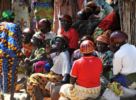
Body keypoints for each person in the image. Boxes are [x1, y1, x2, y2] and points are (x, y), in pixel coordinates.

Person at [0, 10, 22, 99]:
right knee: (11, 74)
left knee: (2, 73)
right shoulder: (15, 26)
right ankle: (10, 95)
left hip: (0, 54)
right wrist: (19, 53)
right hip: (12, 54)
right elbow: (18, 41)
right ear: (12, 18)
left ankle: (2, 92)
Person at [108, 31, 136, 98]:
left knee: (111, 79)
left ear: (116, 44)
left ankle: (122, 95)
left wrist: (114, 53)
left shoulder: (118, 54)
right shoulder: (133, 47)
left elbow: (115, 72)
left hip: (129, 80)